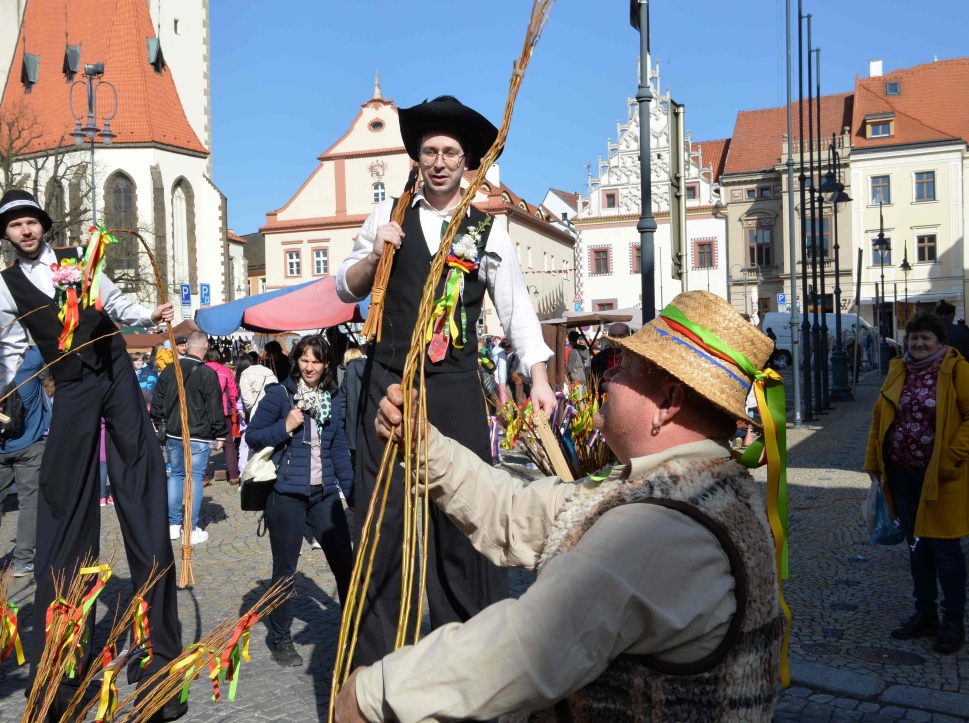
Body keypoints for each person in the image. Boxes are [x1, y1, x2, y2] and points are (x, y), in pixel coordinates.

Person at [335, 290, 783, 722]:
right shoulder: (683, 487)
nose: (608, 377)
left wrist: (374, 693)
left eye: (624, 368)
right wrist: (423, 445)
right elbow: (513, 510)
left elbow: (525, 648)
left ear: (666, 403)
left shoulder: (661, 529)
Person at [335, 95, 555, 667]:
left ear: (466, 162)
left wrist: (539, 377)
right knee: (382, 529)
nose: (439, 161)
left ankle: (475, 665)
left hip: (454, 388)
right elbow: (346, 286)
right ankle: (376, 675)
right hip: (389, 384)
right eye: (430, 150)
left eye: (450, 153)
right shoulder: (388, 217)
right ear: (417, 157)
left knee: (465, 526)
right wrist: (373, 254)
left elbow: (516, 309)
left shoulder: (486, 230)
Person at [0, 189, 184, 720]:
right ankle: (64, 666)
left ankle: (161, 658)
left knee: (140, 490)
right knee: (61, 507)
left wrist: (149, 314)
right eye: (14, 225)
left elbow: (115, 302)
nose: (25, 231)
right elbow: (10, 351)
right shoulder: (5, 286)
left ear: (43, 226)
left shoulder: (78, 259)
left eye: (31, 222)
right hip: (70, 385)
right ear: (5, 234)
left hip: (114, 370)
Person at [864, 311, 969, 654]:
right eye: (914, 337)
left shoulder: (957, 370)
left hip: (942, 478)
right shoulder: (898, 369)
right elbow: (880, 418)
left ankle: (953, 623)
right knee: (917, 547)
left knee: (946, 550)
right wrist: (874, 462)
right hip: (902, 475)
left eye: (926, 339)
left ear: (940, 343)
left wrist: (951, 456)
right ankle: (925, 614)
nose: (918, 344)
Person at [245, 335, 355, 667]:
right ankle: (280, 637)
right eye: (304, 359)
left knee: (345, 567)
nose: (309, 366)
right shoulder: (280, 395)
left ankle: (356, 630)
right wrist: (285, 425)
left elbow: (338, 451)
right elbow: (253, 435)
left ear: (326, 365)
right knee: (285, 572)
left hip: (324, 497)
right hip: (287, 496)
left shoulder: (332, 398)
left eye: (316, 361)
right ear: (297, 361)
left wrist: (353, 495)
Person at [0, 315, 49, 578]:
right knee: (29, 501)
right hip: (28, 445)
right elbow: (49, 337)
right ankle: (24, 560)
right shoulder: (28, 364)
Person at [151, 330, 227, 545]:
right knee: (193, 478)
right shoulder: (207, 374)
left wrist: (161, 424)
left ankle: (173, 526)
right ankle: (190, 528)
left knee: (176, 476)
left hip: (174, 433)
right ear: (204, 348)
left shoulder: (168, 371)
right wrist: (219, 433)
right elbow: (215, 407)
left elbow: (156, 405)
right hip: (199, 435)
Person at [203, 347, 241, 485]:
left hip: (204, 411)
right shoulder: (225, 370)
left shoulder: (200, 369)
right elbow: (233, 392)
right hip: (223, 411)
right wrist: (235, 408)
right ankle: (234, 475)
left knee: (204, 442)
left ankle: (204, 477)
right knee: (228, 443)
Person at [590, 322, 631, 386]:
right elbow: (593, 384)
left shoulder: (636, 359)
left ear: (628, 337)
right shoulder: (598, 359)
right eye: (612, 335)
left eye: (620, 335)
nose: (615, 339)